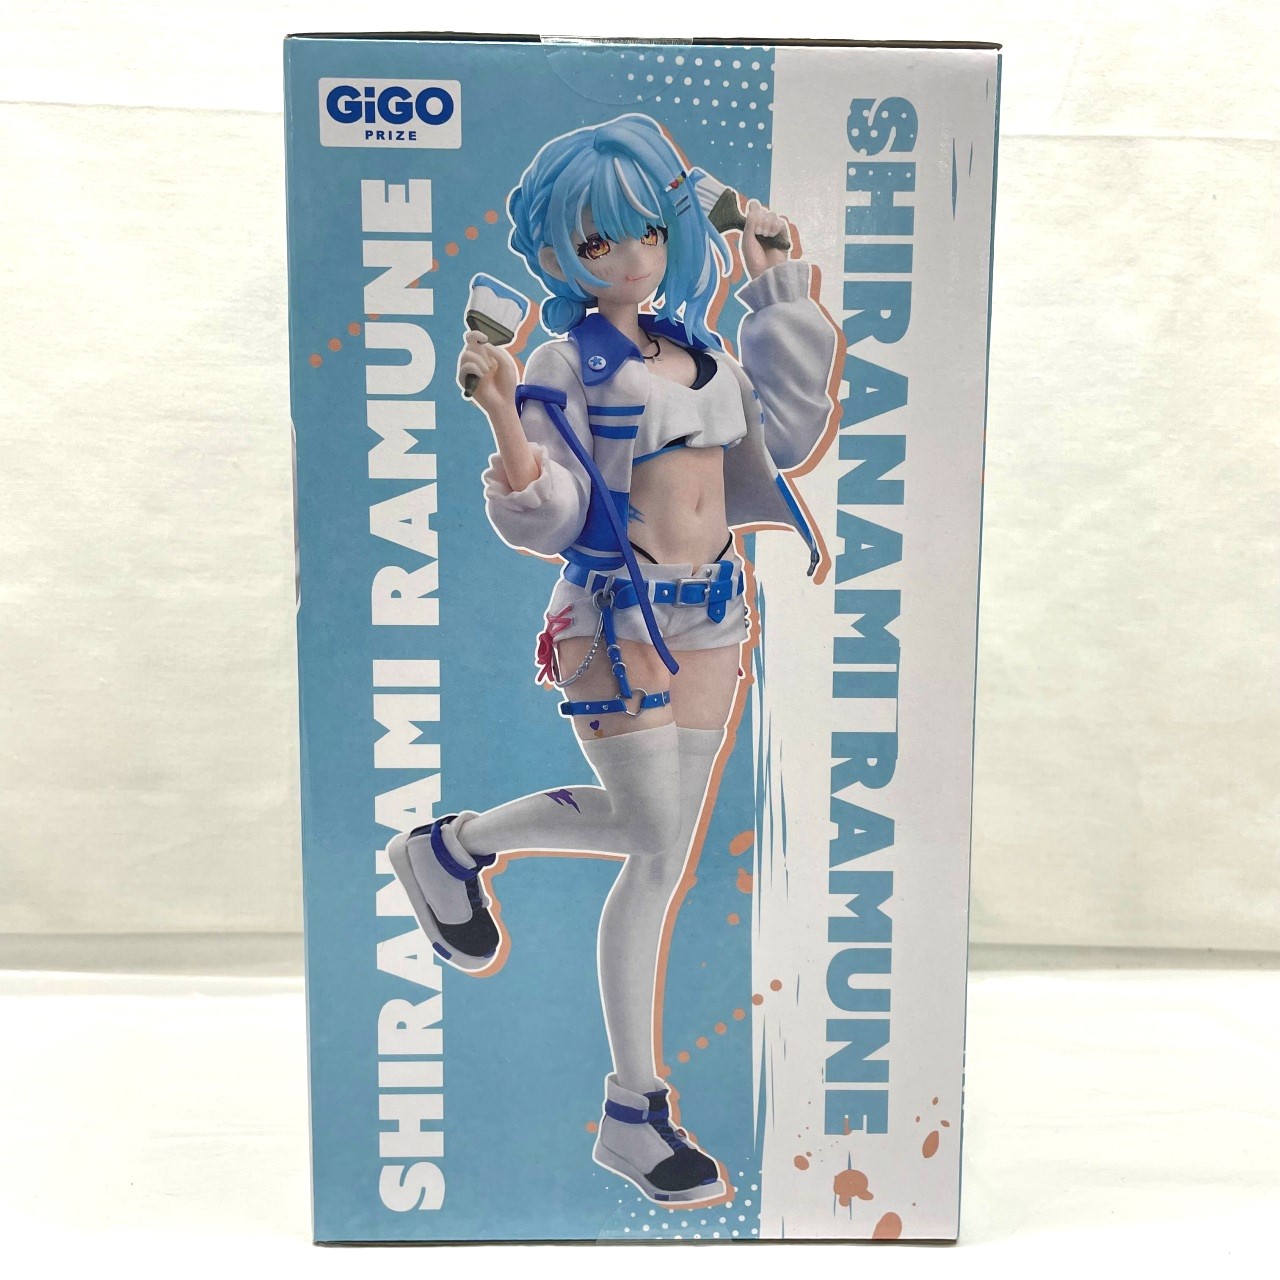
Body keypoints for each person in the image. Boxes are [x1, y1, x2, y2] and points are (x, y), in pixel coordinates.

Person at [389, 114, 838, 1206]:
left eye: (646, 231)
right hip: (615, 620)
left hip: (714, 619)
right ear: (561, 253)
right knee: (644, 828)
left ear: (675, 230)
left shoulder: (701, 352)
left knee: (658, 857)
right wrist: (503, 418)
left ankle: (631, 1108)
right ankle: (456, 846)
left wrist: (773, 288)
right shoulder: (563, 361)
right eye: (597, 242)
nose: (628, 258)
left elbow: (785, 435)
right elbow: (550, 514)